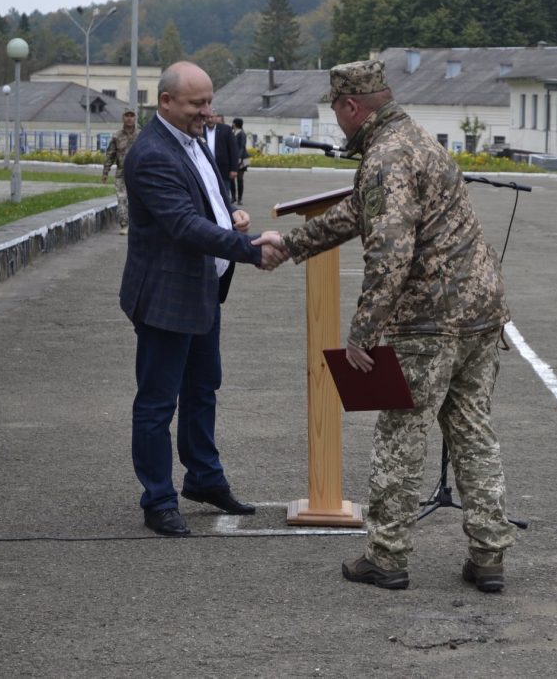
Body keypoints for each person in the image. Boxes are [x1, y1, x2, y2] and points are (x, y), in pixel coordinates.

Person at [263, 59, 516, 592]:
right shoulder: (416, 139)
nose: (338, 123)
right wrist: (291, 245)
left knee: (401, 435)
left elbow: (390, 251)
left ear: (352, 106)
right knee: (474, 433)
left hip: (429, 322)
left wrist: (364, 331)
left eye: (337, 112)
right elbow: (360, 210)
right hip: (480, 315)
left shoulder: (385, 156)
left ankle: (387, 556)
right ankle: (489, 556)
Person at [119, 60, 284, 537]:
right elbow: (184, 226)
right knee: (157, 403)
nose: (208, 112)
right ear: (165, 102)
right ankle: (158, 499)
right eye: (197, 104)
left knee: (202, 389)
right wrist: (251, 250)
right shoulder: (151, 153)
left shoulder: (193, 142)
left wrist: (232, 211)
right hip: (166, 297)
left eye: (210, 102)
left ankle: (204, 479)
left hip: (202, 291)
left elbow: (209, 200)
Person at [102, 109, 139, 236]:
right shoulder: (117, 136)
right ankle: (124, 224)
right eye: (127, 116)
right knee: (122, 198)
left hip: (138, 173)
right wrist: (105, 172)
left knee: (136, 199)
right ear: (123, 118)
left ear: (135, 118)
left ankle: (136, 224)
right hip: (122, 172)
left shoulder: (141, 135)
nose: (129, 118)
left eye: (131, 116)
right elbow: (110, 154)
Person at [202, 112, 238, 191]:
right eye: (207, 117)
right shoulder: (200, 130)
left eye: (212, 117)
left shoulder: (226, 130)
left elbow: (233, 150)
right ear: (204, 119)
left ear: (216, 117)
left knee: (224, 193)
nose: (210, 120)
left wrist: (234, 169)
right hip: (205, 169)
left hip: (223, 169)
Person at [229, 118, 248, 205]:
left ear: (235, 124)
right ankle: (233, 197)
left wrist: (239, 157)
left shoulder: (242, 133)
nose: (232, 124)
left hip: (243, 158)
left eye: (233, 123)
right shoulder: (232, 132)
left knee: (240, 179)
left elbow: (242, 146)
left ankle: (240, 198)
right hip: (233, 157)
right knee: (231, 178)